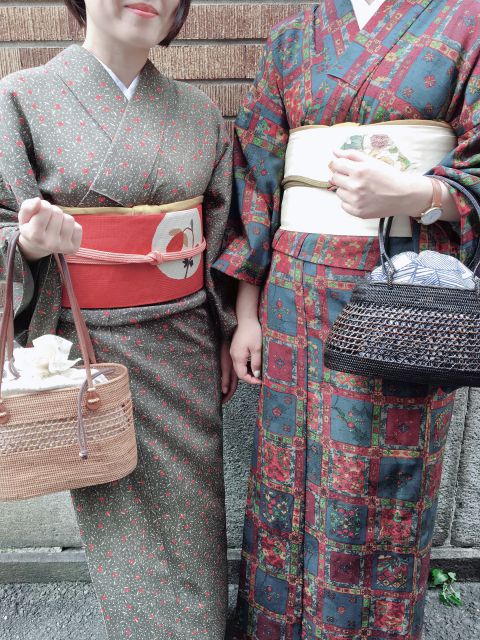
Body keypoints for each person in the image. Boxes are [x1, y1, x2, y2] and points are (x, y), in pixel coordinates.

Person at [214, 1, 480, 638]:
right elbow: (257, 178)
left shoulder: (467, 21)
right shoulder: (292, 38)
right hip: (291, 286)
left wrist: (420, 194)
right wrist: (246, 313)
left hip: (401, 289)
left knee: (379, 482)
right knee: (284, 473)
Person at [0, 1, 238, 638]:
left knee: (196, 526)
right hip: (89, 352)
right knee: (126, 537)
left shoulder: (199, 113)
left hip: (186, 344)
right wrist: (27, 244)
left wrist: (226, 328)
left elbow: (219, 236)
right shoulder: (21, 98)